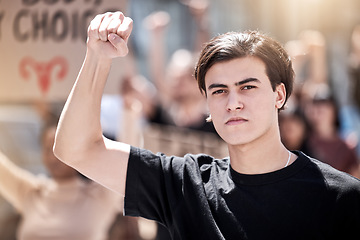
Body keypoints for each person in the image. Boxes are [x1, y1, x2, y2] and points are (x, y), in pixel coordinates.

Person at [54, 12, 360, 239]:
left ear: (279, 94)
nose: (233, 102)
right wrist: (97, 57)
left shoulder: (341, 197)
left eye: (248, 87)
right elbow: (75, 149)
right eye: (219, 91)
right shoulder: (183, 183)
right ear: (208, 105)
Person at [0, 114, 124, 240]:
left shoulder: (100, 194)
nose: (54, 157)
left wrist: (130, 110)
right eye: (48, 149)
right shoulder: (31, 191)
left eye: (60, 149)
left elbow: (126, 161)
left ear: (78, 150)